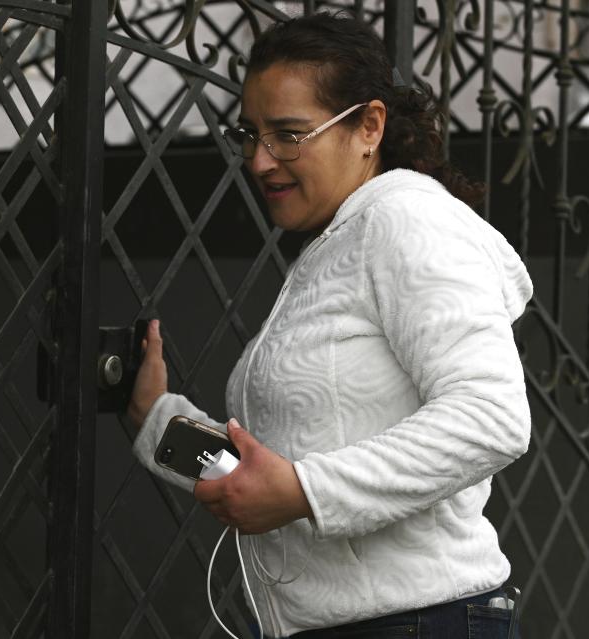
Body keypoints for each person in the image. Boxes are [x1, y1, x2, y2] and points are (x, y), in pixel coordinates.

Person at [127, 11, 532, 639]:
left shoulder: (405, 222)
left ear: (369, 126)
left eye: (288, 134)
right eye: (251, 133)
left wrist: (302, 490)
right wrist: (157, 420)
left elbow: (492, 417)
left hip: (417, 621)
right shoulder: (341, 242)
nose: (260, 161)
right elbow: (279, 473)